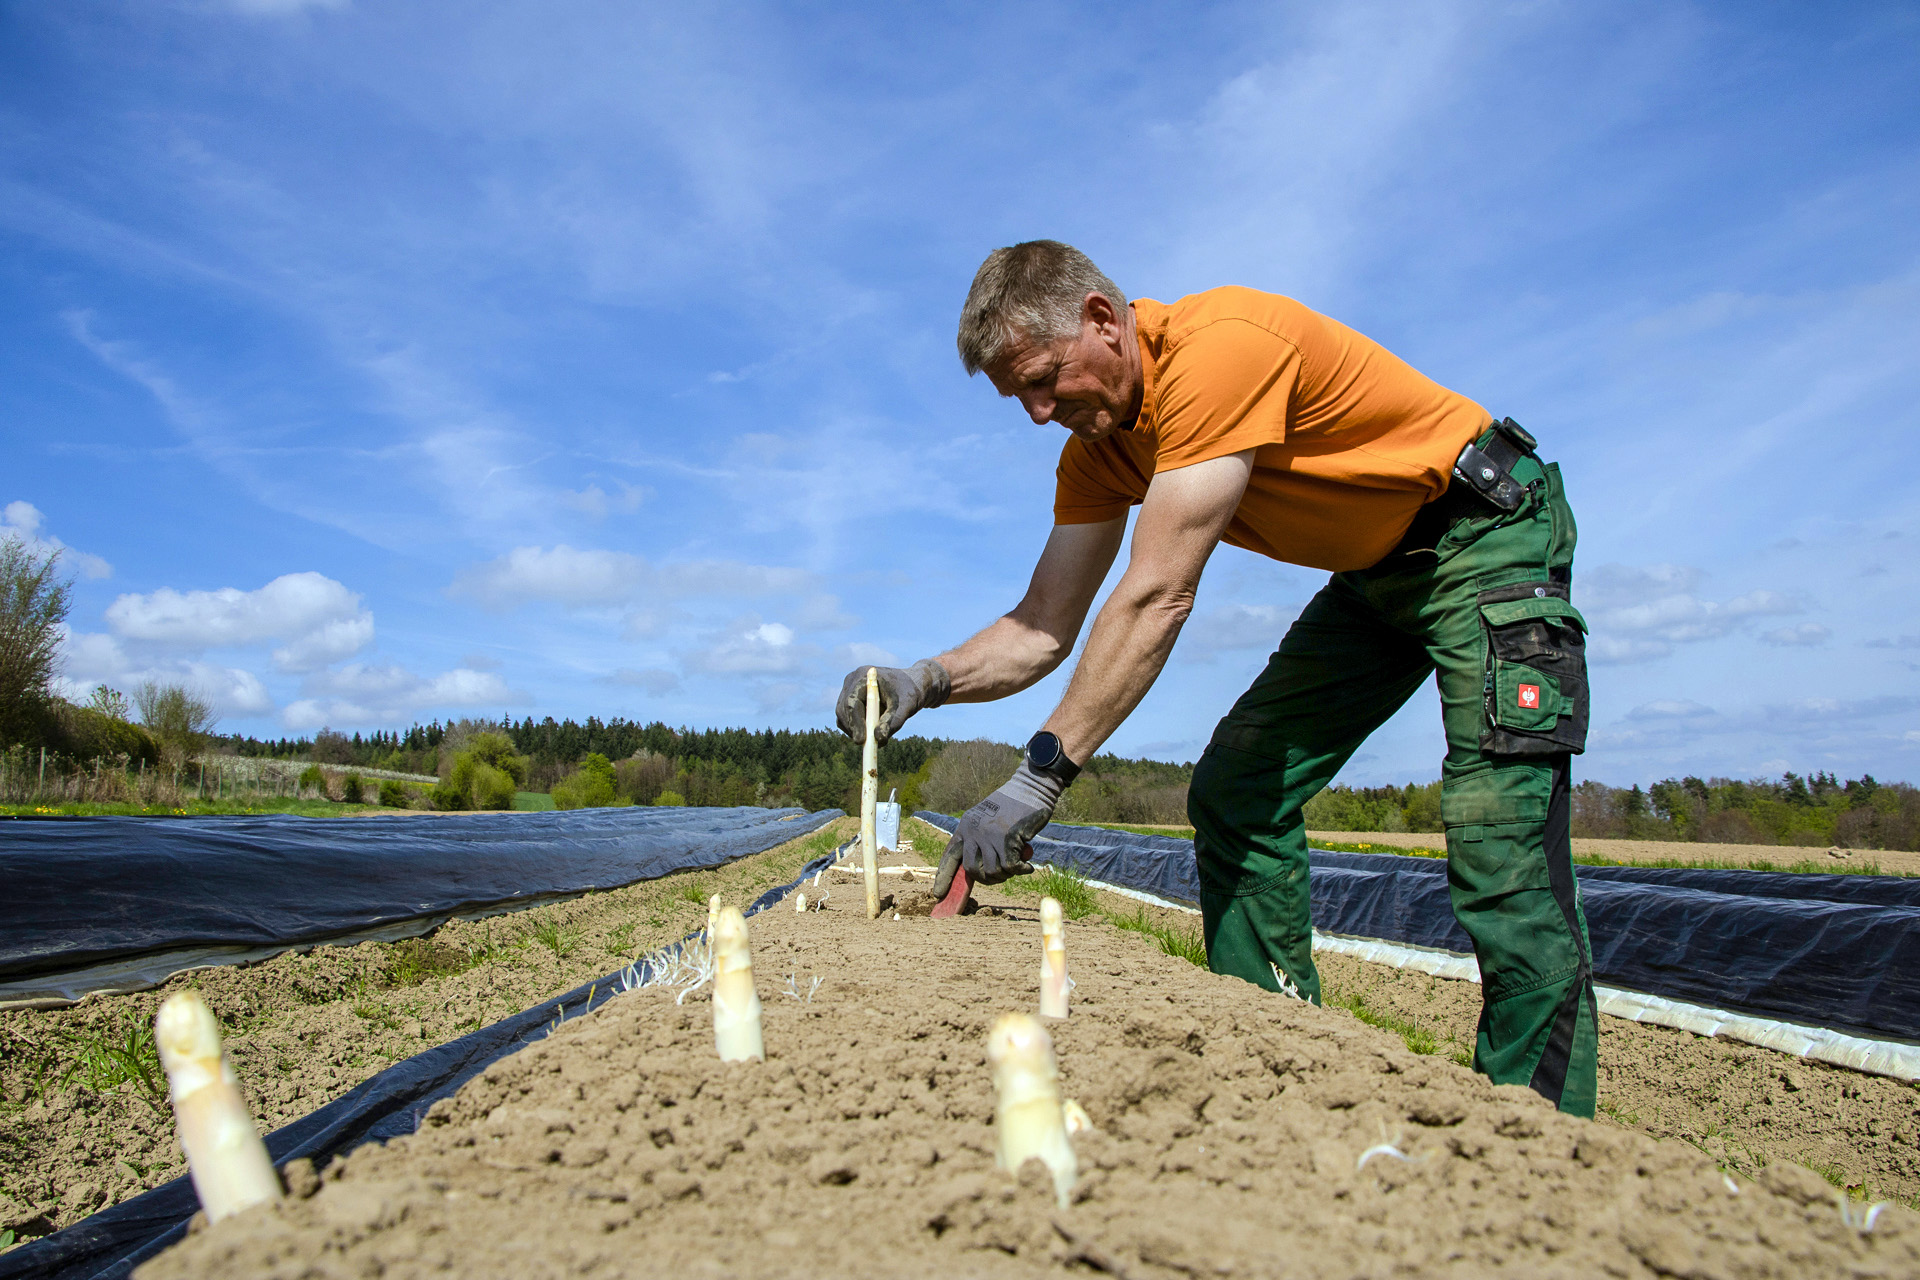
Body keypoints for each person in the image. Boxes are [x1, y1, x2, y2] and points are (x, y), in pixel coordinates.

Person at [834, 240, 1596, 1116]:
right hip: (1374, 575)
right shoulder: (1097, 450)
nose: (1040, 413)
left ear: (1100, 319)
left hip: (1482, 535)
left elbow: (1158, 594)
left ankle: (1540, 1138)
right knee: (1236, 792)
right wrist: (922, 680)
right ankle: (1281, 1057)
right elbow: (1041, 627)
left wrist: (1037, 779)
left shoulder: (1221, 346)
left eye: (1045, 379)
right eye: (1020, 399)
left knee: (1499, 832)